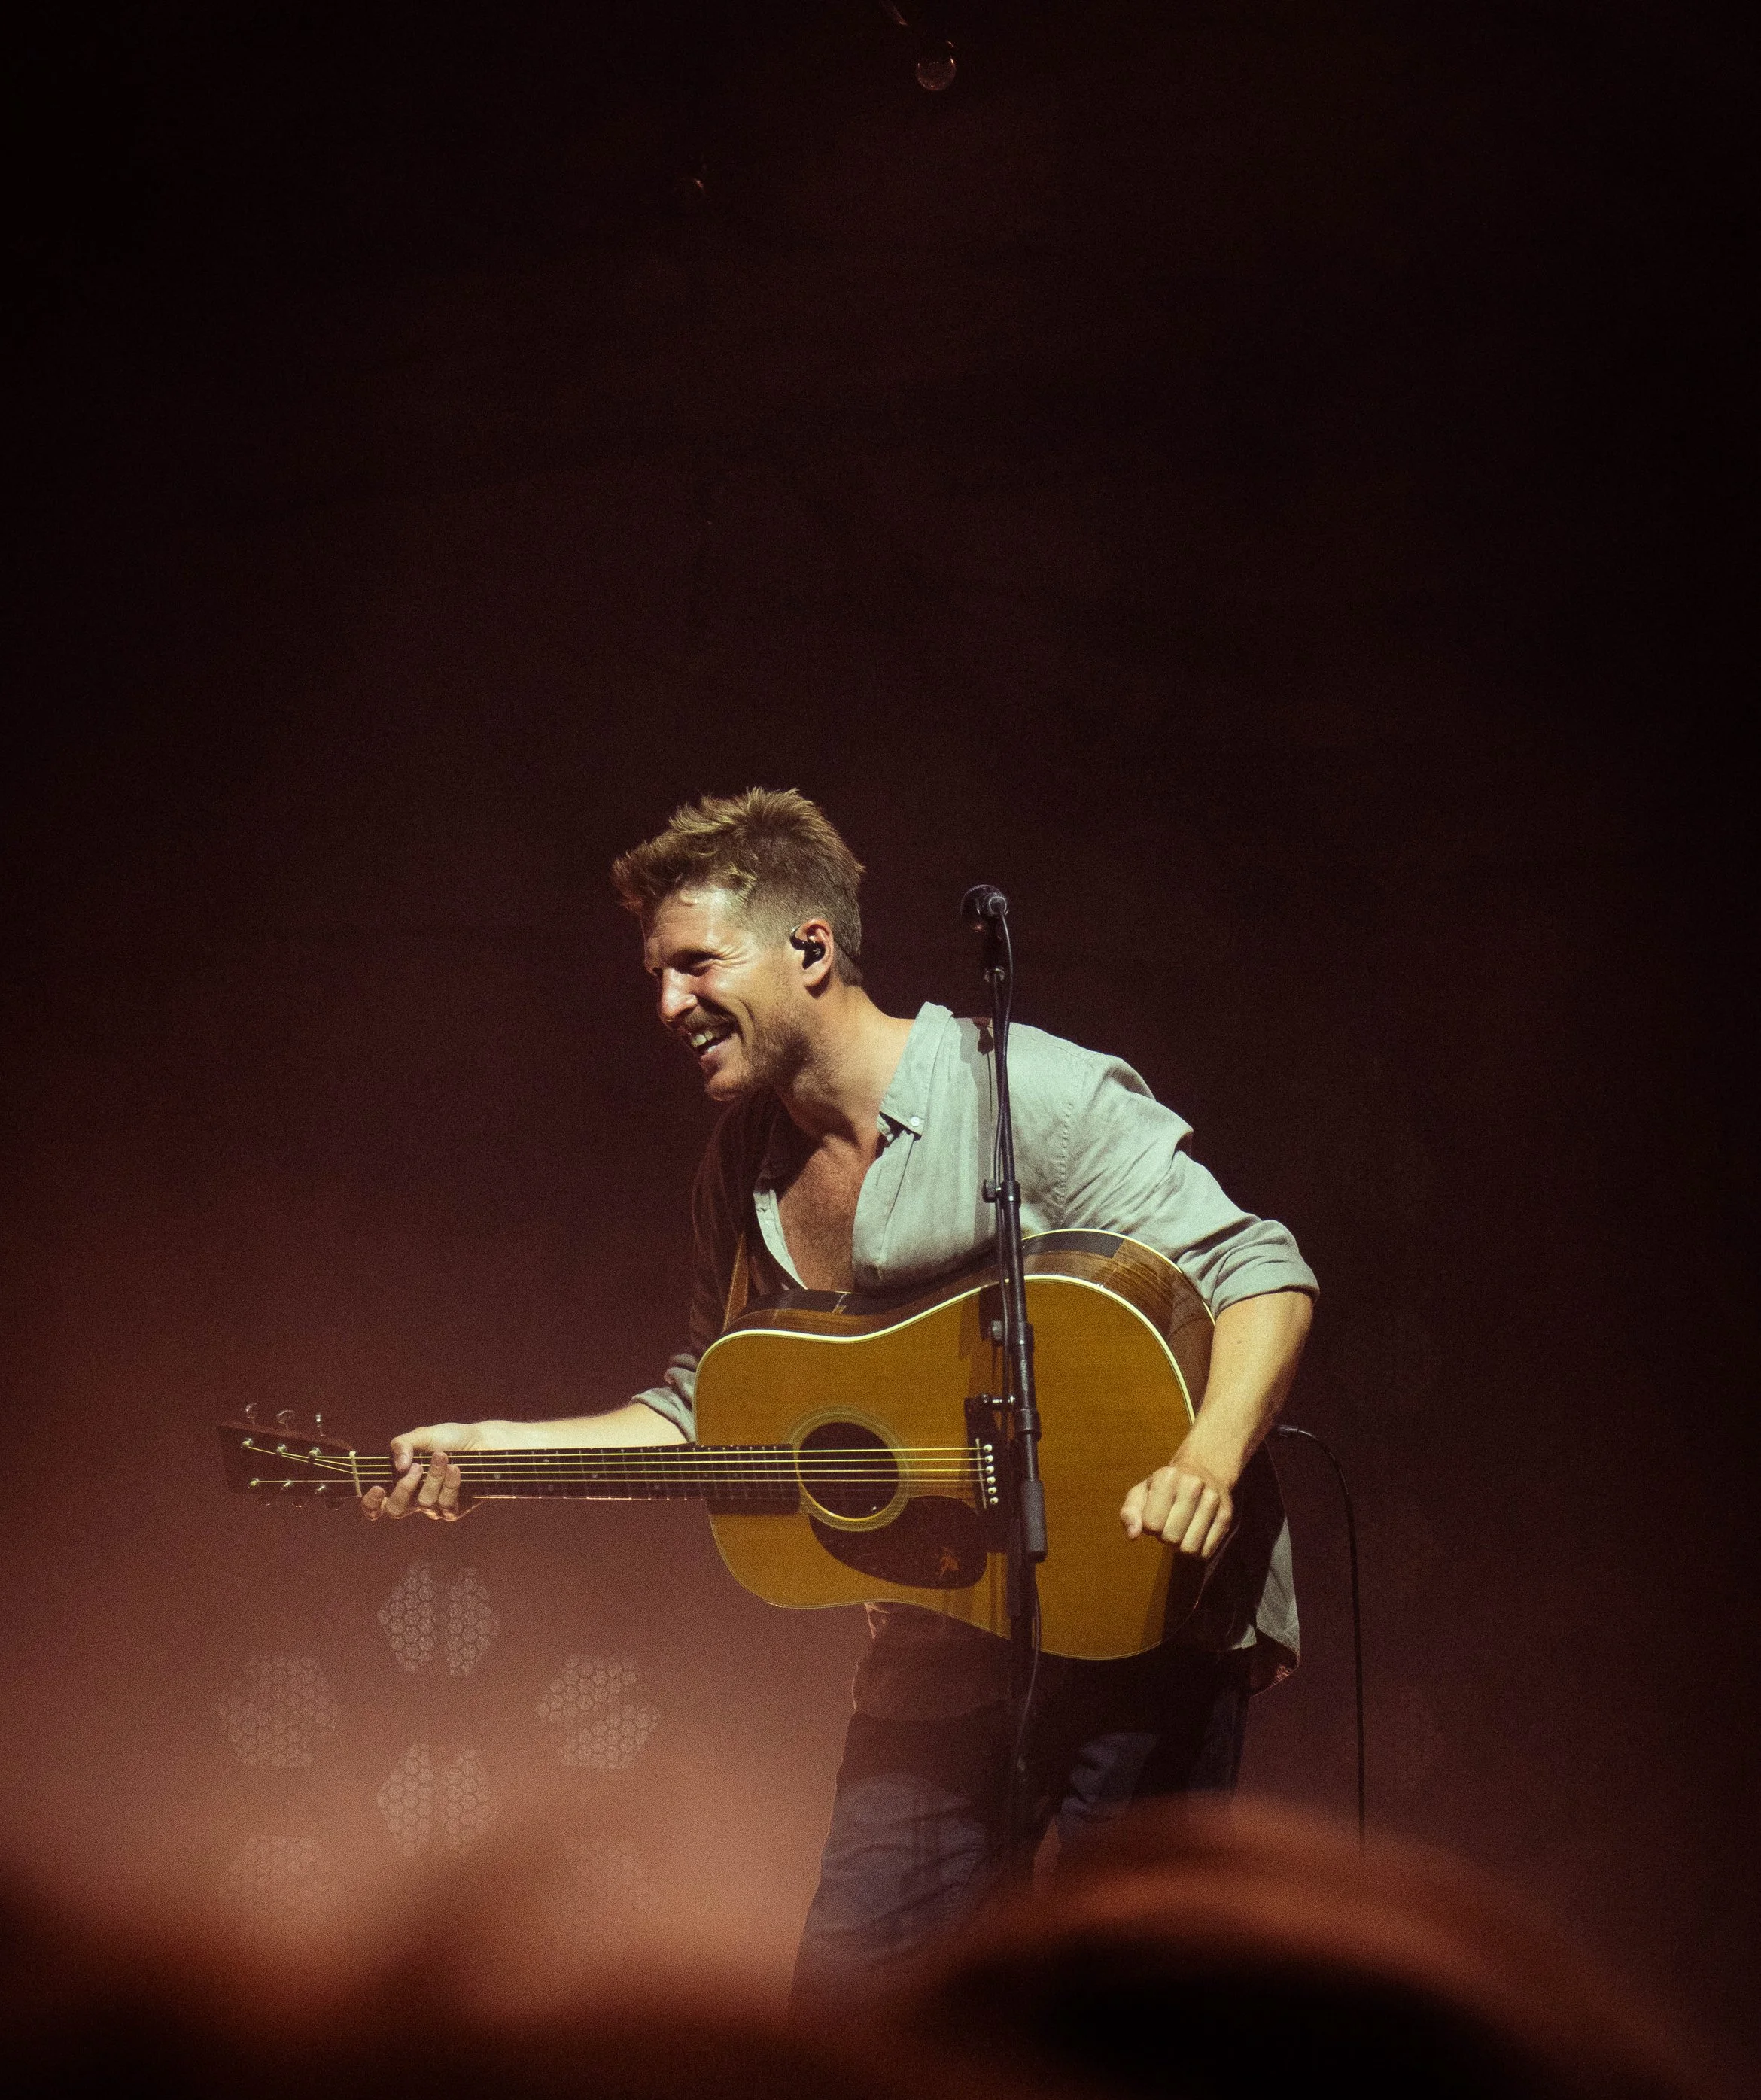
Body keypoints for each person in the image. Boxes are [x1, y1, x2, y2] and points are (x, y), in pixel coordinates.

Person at [363, 789, 1316, 1999]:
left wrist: (1208, 1459)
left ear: (809, 948)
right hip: (935, 1647)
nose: (668, 1005)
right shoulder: (739, 1172)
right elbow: (711, 1406)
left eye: (696, 963)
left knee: (1123, 2020)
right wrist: (490, 1450)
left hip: (1140, 1618)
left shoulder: (1026, 1091)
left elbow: (1260, 1269)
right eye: (657, 975)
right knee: (855, 2016)